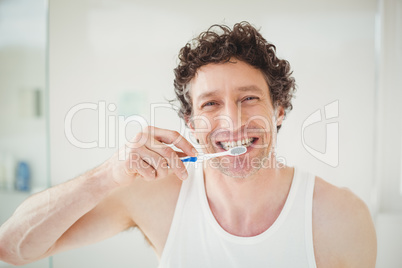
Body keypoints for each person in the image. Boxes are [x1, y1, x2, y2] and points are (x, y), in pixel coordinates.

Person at [0, 22, 376, 267]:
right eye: (211, 104)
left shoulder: (339, 217)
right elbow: (14, 248)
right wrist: (109, 175)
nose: (232, 121)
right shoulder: (154, 197)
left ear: (278, 109)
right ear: (190, 123)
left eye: (249, 98)